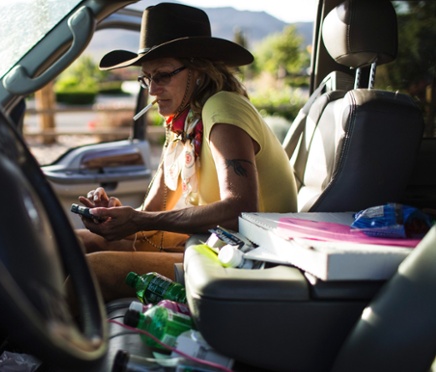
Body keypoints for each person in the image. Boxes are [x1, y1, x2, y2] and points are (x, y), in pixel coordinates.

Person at [75, 3, 297, 302]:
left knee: (95, 269)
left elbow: (239, 209)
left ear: (200, 72)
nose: (152, 90)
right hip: (209, 245)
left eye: (163, 75)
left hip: (250, 258)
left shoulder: (223, 108)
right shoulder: (183, 125)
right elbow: (153, 213)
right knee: (74, 243)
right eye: (147, 78)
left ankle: (37, 346)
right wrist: (114, 216)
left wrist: (140, 222)